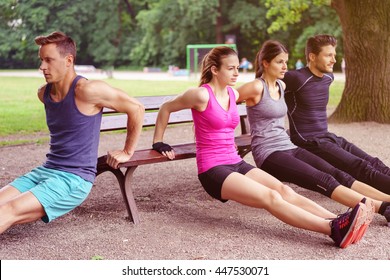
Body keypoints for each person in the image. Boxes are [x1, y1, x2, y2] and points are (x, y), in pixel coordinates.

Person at [152, 46, 369, 248]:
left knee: (284, 190)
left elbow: (263, 99)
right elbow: (166, 107)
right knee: (270, 197)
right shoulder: (200, 94)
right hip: (213, 169)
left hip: (236, 162)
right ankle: (332, 230)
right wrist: (158, 141)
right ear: (215, 70)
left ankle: (338, 220)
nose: (237, 73)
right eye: (231, 68)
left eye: (238, 68)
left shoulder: (232, 94)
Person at [237, 40, 389, 236]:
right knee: (324, 179)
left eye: (286, 61)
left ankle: (387, 201)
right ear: (265, 63)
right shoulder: (256, 87)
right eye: (279, 62)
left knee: (338, 174)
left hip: (288, 146)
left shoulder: (281, 85)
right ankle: (383, 209)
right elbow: (224, 98)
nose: (285, 66)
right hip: (269, 153)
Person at [0, 31, 144, 234]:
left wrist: (128, 151)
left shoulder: (88, 90)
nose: (42, 67)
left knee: (7, 210)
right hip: (45, 171)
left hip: (73, 179)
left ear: (68, 60)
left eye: (49, 60)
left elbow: (136, 108)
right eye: (41, 60)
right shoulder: (44, 94)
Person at [282, 34, 390, 223]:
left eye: (334, 54)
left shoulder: (328, 77)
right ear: (312, 57)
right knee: (361, 167)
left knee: (373, 161)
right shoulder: (295, 78)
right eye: (328, 55)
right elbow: (264, 84)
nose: (334, 59)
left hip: (327, 136)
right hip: (309, 142)